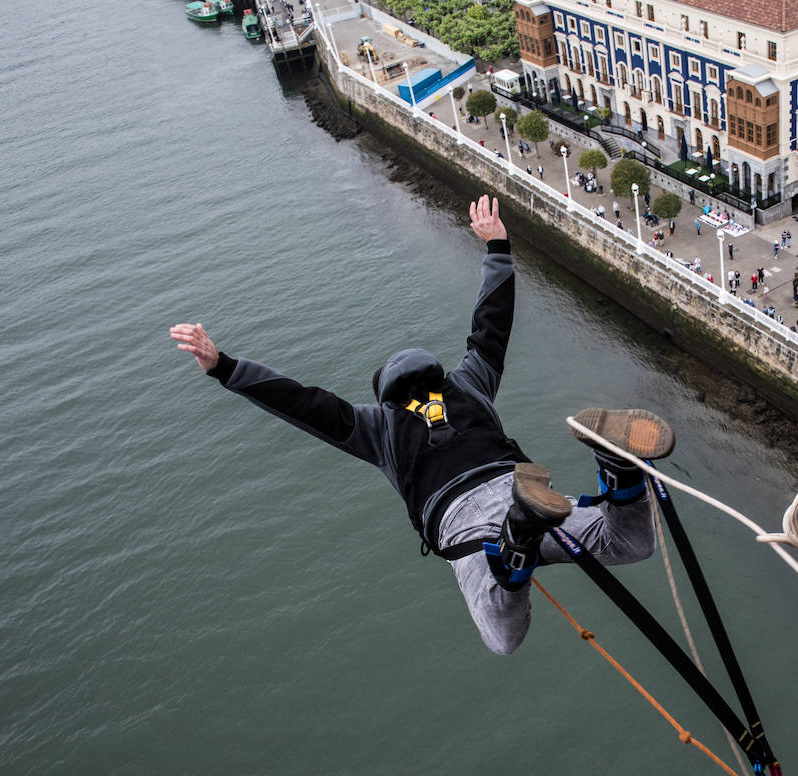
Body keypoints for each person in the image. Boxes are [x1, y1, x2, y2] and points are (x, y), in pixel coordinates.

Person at [169, 196, 674, 656]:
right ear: (431, 373)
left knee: (502, 636)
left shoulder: (378, 427)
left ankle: (518, 542)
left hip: (470, 525)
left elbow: (303, 404)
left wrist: (225, 368)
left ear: (383, 392)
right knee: (631, 544)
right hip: (515, 481)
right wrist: (497, 246)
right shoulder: (469, 383)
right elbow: (490, 326)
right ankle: (616, 468)